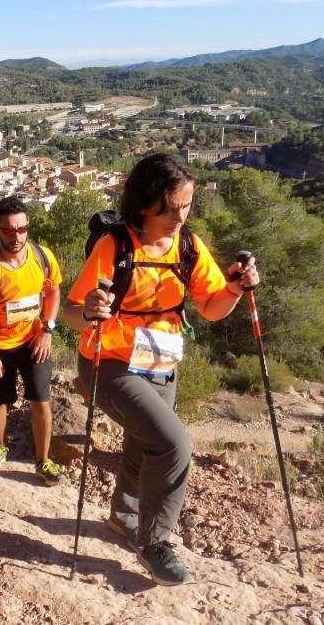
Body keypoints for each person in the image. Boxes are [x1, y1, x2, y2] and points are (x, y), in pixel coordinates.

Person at [62, 153, 259, 587]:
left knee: (143, 442)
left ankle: (123, 517)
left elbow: (210, 308)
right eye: (169, 208)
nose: (178, 217)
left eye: (186, 207)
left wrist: (233, 288)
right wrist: (89, 310)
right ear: (144, 203)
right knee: (173, 444)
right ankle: (155, 543)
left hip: (160, 360)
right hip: (107, 361)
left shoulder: (188, 245)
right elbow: (72, 311)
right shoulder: (114, 246)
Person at [0, 197, 64, 486]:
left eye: (22, 229)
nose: (17, 236)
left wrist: (48, 329)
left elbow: (54, 292)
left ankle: (43, 461)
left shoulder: (42, 257)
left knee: (41, 401)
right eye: (9, 230)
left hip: (34, 341)